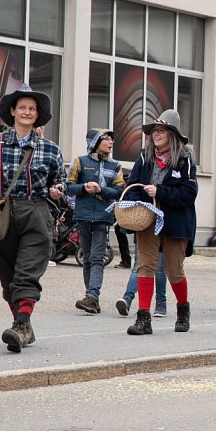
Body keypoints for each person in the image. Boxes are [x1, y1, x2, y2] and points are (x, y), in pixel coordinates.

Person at [0, 84, 66, 352]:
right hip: (0, 213)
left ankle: (21, 325)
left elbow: (58, 184)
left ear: (37, 115)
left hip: (36, 212)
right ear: (12, 111)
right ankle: (23, 324)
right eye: (22, 107)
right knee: (8, 277)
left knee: (27, 274)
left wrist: (58, 191)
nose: (27, 112)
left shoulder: (50, 149)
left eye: (32, 109)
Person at [123, 109, 198, 336]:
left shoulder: (185, 160)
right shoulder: (144, 157)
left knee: (174, 270)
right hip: (147, 219)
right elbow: (132, 185)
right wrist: (137, 203)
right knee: (145, 265)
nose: (156, 134)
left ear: (171, 134)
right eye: (155, 130)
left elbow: (189, 193)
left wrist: (161, 192)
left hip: (176, 222)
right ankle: (143, 317)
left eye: (162, 130)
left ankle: (183, 310)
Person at [66, 128, 125, 314]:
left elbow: (119, 191)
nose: (111, 143)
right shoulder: (80, 162)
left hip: (103, 216)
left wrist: (101, 190)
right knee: (87, 258)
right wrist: (84, 187)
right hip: (82, 215)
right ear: (95, 142)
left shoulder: (115, 166)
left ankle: (92, 296)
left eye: (111, 140)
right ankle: (91, 297)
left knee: (97, 257)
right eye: (106, 139)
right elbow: (69, 187)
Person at [115, 244, 168, 317]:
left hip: (159, 233)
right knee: (141, 266)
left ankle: (160, 301)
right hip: (143, 233)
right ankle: (128, 298)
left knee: (158, 267)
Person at [113, 167, 132, 269]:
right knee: (119, 231)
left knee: (119, 232)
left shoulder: (128, 189)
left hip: (129, 216)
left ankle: (126, 261)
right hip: (123, 216)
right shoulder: (125, 188)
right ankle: (126, 260)